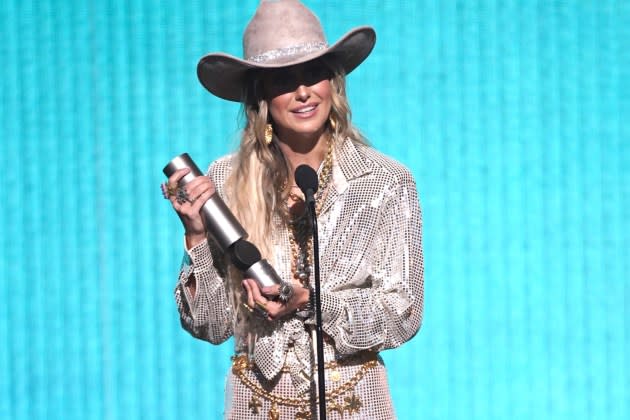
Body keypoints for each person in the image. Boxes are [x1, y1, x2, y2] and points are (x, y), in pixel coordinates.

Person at [162, 0, 424, 418]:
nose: (303, 91)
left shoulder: (384, 180)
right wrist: (196, 234)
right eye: (284, 79)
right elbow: (209, 326)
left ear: (333, 83)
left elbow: (402, 314)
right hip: (258, 402)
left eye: (314, 74)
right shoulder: (225, 179)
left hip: (356, 404)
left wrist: (312, 302)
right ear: (260, 95)